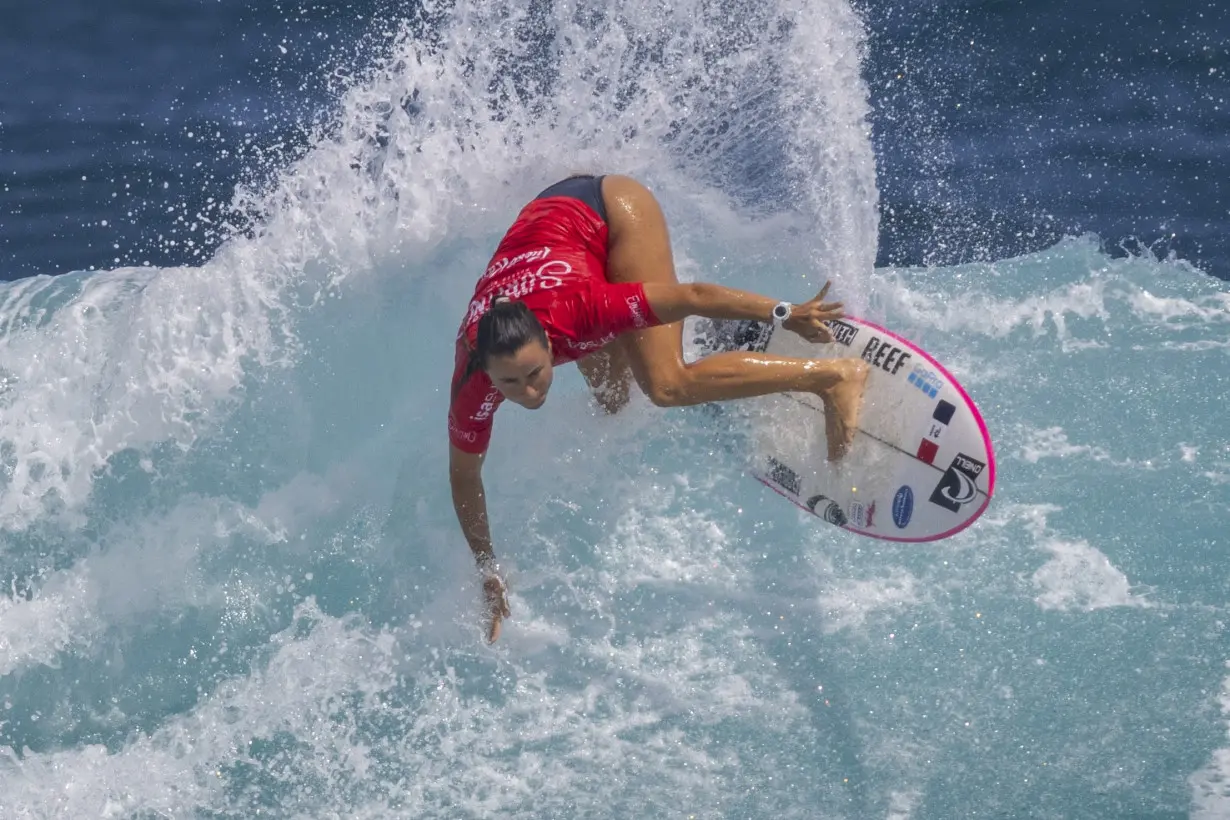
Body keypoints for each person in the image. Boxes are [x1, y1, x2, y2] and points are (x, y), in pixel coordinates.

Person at [449, 174, 869, 643]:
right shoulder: (473, 379)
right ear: (486, 368)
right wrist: (488, 569)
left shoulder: (582, 311)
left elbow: (694, 296)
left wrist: (785, 312)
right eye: (510, 383)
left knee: (665, 384)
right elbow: (465, 477)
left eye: (535, 374)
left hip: (608, 210)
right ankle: (705, 351)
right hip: (556, 242)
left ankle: (832, 379)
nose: (529, 392)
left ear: (550, 344)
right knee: (613, 400)